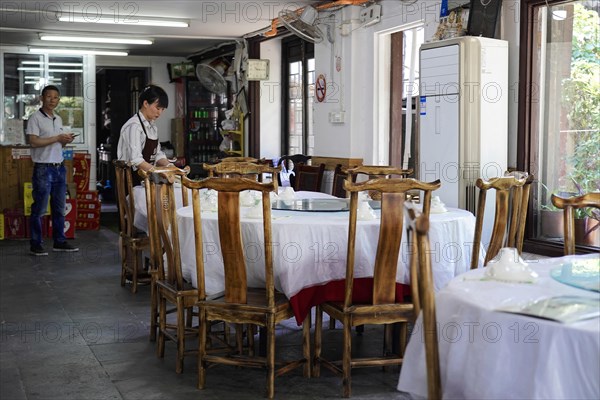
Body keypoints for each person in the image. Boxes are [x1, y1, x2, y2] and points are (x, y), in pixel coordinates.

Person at [27, 85, 79, 256]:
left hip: (59, 167)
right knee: (40, 208)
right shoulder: (35, 118)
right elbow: (33, 142)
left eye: (55, 97)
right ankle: (36, 243)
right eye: (48, 96)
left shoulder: (58, 118)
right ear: (42, 98)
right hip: (43, 168)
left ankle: (60, 241)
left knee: (59, 207)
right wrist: (57, 137)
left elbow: (59, 144)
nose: (52, 100)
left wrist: (65, 139)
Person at [117, 84, 172, 180]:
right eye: (157, 108)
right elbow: (136, 160)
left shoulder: (152, 126)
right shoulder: (134, 126)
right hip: (131, 181)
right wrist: (157, 172)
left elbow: (157, 154)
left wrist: (170, 167)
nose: (160, 113)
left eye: (162, 109)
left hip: (146, 179)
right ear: (146, 104)